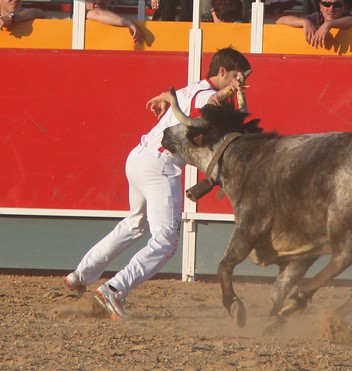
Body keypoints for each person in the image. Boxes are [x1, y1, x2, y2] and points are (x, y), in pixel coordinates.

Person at [64, 47, 251, 320]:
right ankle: (115, 289)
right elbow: (205, 110)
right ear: (222, 72)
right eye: (236, 76)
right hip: (161, 166)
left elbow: (176, 96)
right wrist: (227, 94)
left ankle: (81, 274)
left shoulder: (193, 88)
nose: (239, 82)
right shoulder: (209, 95)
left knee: (134, 224)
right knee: (165, 242)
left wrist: (164, 99)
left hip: (139, 157)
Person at [276, 0, 352, 48]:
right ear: (320, 6)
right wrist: (305, 22)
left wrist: (328, 25)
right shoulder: (317, 17)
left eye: (337, 5)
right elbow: (280, 21)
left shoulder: (346, 17)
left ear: (344, 8)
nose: (331, 9)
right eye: (326, 4)